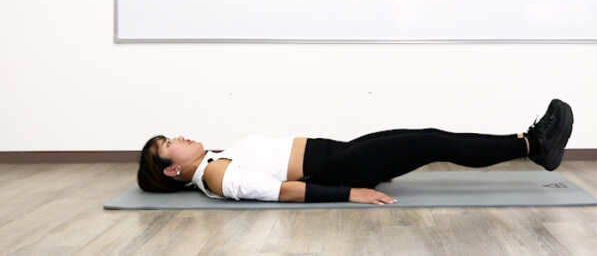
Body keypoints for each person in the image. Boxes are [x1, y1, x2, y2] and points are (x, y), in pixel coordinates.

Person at [137, 98, 573, 205]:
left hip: (341, 154)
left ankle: (528, 142)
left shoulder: (213, 161)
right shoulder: (216, 176)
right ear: (172, 170)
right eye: (170, 144)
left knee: (430, 136)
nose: (181, 137)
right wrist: (350, 193)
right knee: (436, 142)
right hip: (342, 166)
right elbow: (280, 192)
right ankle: (534, 145)